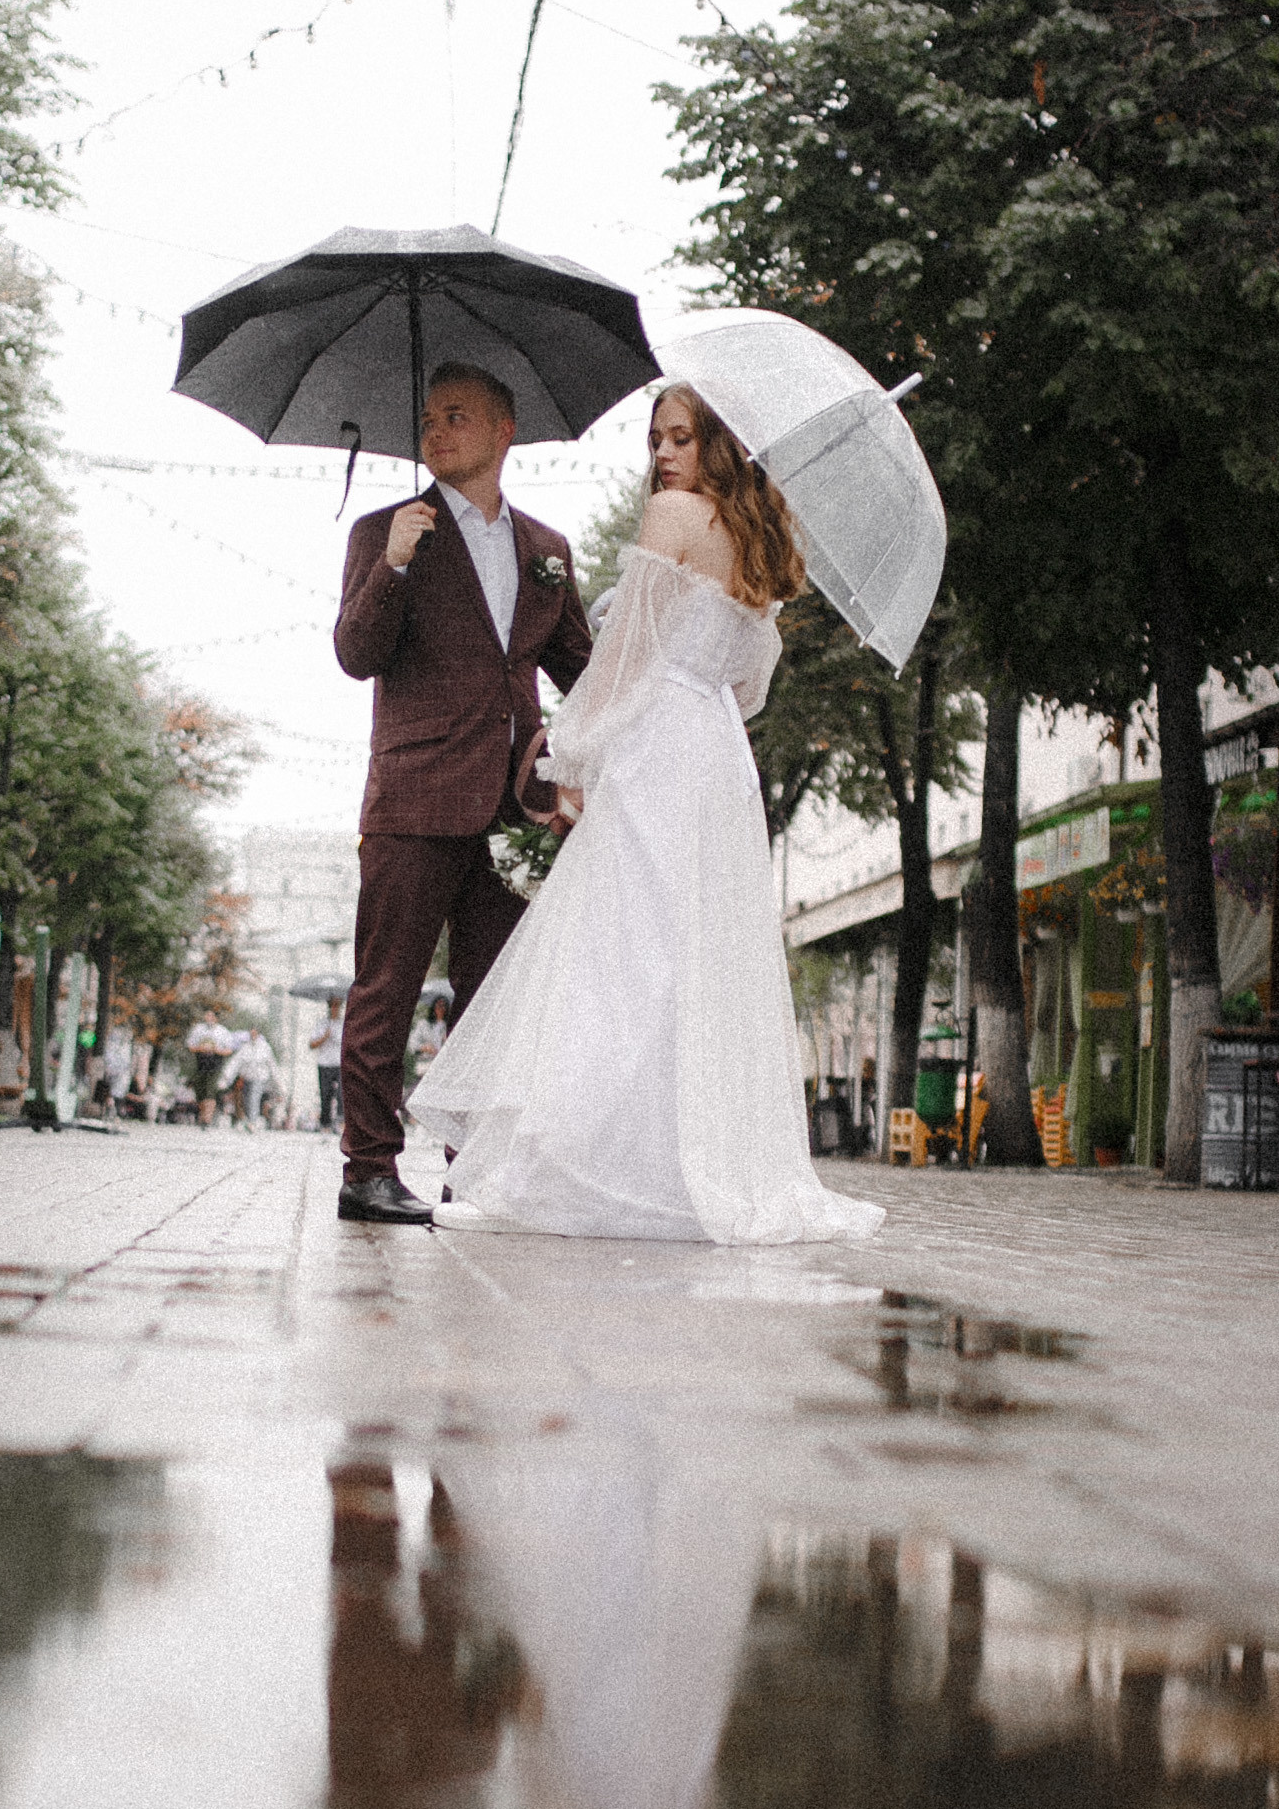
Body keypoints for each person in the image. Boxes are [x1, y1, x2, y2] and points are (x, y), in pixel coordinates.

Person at [409, 385, 886, 1246]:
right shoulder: (764, 544)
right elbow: (747, 688)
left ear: (721, 446)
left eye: (683, 437)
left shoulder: (672, 516)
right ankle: (676, 1161)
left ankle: (569, 1169)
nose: (664, 456)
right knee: (689, 955)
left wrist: (573, 756)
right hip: (716, 761)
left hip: (660, 746)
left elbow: (624, 653)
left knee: (615, 950)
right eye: (656, 438)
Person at [331, 362, 593, 1225]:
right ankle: (367, 1171)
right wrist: (396, 565)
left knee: (490, 1006)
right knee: (387, 992)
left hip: (509, 811)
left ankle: (473, 1174)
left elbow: (583, 675)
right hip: (411, 799)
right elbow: (356, 653)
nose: (436, 431)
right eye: (428, 417)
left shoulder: (547, 551)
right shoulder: (386, 531)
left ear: (502, 431)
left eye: (457, 416)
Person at [185, 1009, 232, 1126]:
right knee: (200, 1090)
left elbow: (229, 1050)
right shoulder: (198, 1029)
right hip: (201, 1062)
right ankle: (203, 1114)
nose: (208, 1018)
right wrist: (201, 1048)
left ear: (216, 1018)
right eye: (207, 1015)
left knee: (210, 1091)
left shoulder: (222, 1031)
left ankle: (207, 1119)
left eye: (211, 1015)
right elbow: (190, 1046)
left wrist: (216, 1050)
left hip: (215, 1063)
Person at [312, 999, 345, 1135]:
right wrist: (325, 1037)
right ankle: (325, 1124)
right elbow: (312, 1044)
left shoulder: (344, 1024)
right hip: (324, 1063)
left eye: (337, 1006)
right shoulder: (321, 1023)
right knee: (325, 1094)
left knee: (342, 1094)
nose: (334, 1008)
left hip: (340, 1064)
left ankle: (340, 1122)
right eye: (332, 1006)